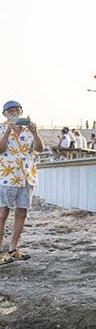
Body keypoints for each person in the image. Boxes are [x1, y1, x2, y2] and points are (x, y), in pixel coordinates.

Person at [0, 100, 44, 265]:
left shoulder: (28, 130)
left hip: (26, 175)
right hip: (6, 176)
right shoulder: (1, 128)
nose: (14, 113)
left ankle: (13, 249)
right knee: (2, 213)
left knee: (21, 213)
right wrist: (7, 131)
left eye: (17, 110)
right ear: (4, 113)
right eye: (10, 111)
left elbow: (39, 148)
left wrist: (35, 132)